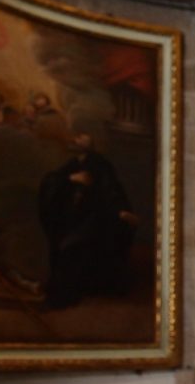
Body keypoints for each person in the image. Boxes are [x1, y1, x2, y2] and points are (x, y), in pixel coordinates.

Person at [38, 131, 139, 308]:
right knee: (59, 241)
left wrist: (120, 211)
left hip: (95, 218)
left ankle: (63, 295)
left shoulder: (101, 164)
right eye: (76, 136)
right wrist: (71, 178)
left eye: (81, 136)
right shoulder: (73, 164)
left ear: (91, 142)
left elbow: (111, 192)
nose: (75, 139)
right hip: (73, 219)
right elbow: (51, 182)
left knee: (71, 247)